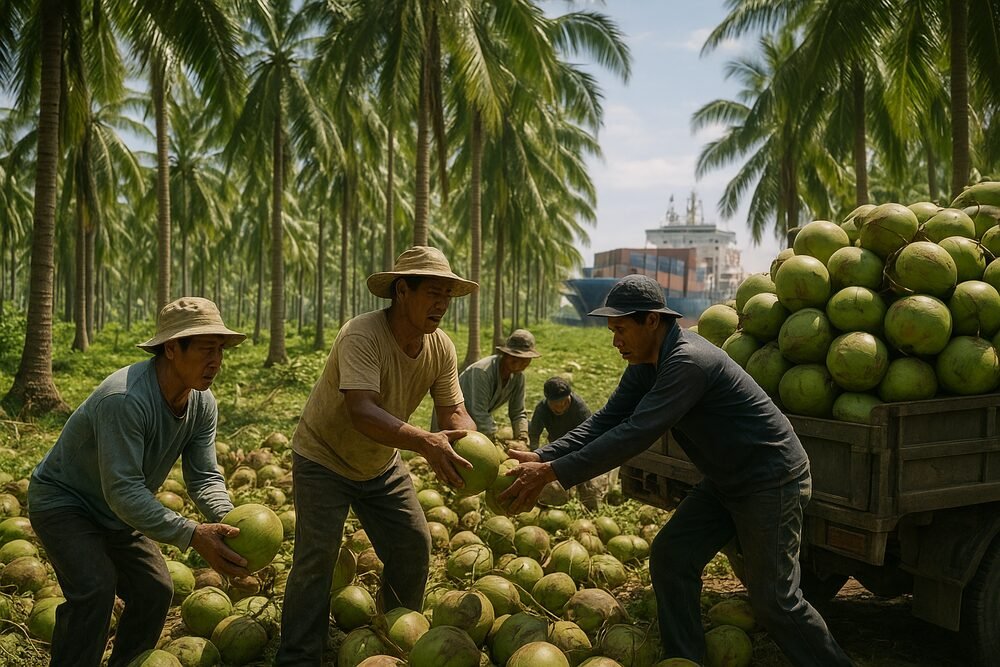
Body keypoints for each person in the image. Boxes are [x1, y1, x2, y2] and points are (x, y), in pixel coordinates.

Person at [499, 274, 853, 666]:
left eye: (620, 329)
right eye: (612, 330)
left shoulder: (688, 362)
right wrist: (544, 455)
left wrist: (553, 473)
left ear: (652, 321)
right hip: (727, 480)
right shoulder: (647, 362)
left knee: (774, 601)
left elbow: (635, 433)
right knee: (672, 556)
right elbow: (609, 418)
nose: (615, 340)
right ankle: (685, 659)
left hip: (770, 478)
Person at [275, 246, 479, 665]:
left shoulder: (441, 348)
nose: (442, 304)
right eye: (434, 293)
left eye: (448, 296)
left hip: (381, 463)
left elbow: (454, 413)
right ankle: (298, 656)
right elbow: (362, 410)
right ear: (403, 290)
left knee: (413, 545)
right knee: (317, 558)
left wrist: (481, 452)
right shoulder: (362, 334)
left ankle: (395, 634)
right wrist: (424, 441)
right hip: (323, 457)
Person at [27, 297, 250, 667]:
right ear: (172, 349)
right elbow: (124, 491)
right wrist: (194, 533)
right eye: (206, 351)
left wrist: (230, 527)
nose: (216, 362)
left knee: (155, 589)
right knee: (95, 589)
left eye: (220, 352)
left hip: (118, 511)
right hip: (65, 503)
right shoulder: (125, 398)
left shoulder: (202, 403)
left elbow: (204, 476)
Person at [439, 329, 540, 442]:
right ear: (505, 355)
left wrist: (522, 437)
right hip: (452, 420)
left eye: (524, 360)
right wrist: (495, 439)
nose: (519, 363)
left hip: (476, 428)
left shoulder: (518, 378)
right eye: (514, 358)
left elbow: (518, 412)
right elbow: (478, 412)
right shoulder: (482, 372)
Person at [527, 377, 608, 510]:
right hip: (557, 447)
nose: (560, 407)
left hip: (580, 446)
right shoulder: (542, 409)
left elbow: (591, 433)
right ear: (547, 400)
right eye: (555, 403)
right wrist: (535, 456)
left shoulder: (579, 407)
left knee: (590, 491)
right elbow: (534, 434)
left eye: (564, 402)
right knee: (553, 487)